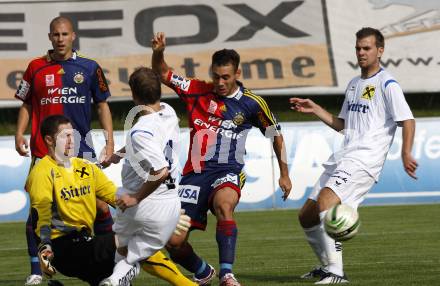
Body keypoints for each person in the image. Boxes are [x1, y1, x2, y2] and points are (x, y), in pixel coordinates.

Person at [152, 32, 292, 286]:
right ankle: (203, 270)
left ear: (237, 74)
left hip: (228, 170)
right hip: (194, 175)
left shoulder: (252, 103)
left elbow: (276, 135)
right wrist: (159, 52)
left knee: (224, 207)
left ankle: (227, 274)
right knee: (173, 241)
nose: (220, 82)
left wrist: (284, 173)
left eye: (226, 77)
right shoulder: (196, 90)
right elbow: (163, 74)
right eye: (216, 76)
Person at [290, 27, 418, 284]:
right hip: (344, 156)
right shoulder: (354, 84)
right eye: (358, 48)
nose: (361, 52)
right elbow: (342, 125)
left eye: (367, 48)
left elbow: (408, 119)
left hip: (364, 160)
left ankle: (337, 273)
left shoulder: (387, 84)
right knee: (307, 215)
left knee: (327, 203)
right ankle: (327, 267)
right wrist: (315, 108)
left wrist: (405, 153)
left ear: (380, 51)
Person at [28, 114, 197, 286]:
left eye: (73, 134)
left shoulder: (84, 167)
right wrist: (45, 246)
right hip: (63, 249)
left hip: (87, 243)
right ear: (49, 140)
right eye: (65, 136)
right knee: (135, 242)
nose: (72, 140)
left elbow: (118, 198)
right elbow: (40, 213)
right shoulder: (42, 172)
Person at [14, 16, 115, 285]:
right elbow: (25, 104)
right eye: (55, 35)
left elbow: (102, 105)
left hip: (82, 148)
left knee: (102, 204)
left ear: (73, 36)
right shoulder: (34, 68)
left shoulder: (90, 68)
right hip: (43, 149)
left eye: (64, 34)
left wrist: (110, 140)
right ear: (50, 37)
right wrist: (19, 132)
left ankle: (112, 261)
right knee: (39, 211)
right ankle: (37, 270)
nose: (60, 39)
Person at [98, 67, 185, 286]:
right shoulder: (169, 112)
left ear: (134, 95)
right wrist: (118, 155)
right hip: (170, 203)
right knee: (130, 251)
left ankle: (115, 281)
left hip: (145, 203)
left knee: (128, 252)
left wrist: (136, 197)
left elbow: (160, 171)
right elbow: (149, 143)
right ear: (159, 92)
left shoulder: (139, 132)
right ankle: (117, 281)